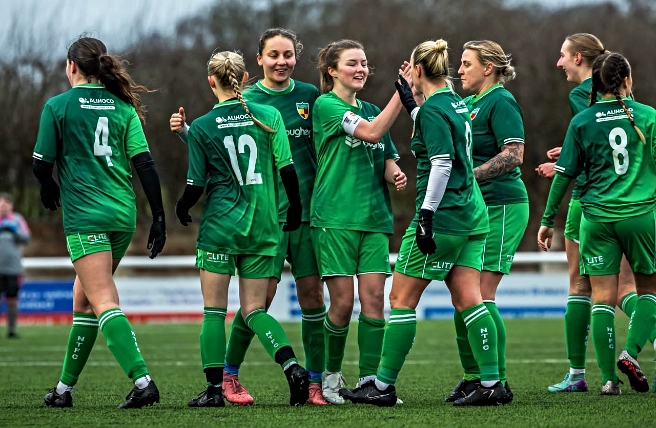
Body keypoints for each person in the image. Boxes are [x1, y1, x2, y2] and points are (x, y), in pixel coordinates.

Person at [340, 39, 505, 407]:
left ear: (417, 71)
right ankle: (492, 381)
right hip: (472, 216)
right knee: (469, 299)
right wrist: (413, 105)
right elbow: (437, 128)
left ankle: (381, 386)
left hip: (443, 216)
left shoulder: (433, 110)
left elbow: (442, 163)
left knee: (401, 298)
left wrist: (427, 216)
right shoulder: (455, 103)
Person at [170, 28, 327, 405]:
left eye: (288, 54)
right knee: (257, 308)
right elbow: (287, 170)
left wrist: (179, 208)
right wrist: (295, 207)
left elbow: (197, 179)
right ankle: (293, 368)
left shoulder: (207, 123)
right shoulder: (266, 112)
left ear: (211, 81)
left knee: (214, 311)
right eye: (274, 54)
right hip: (267, 221)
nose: (282, 61)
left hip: (224, 225)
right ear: (247, 73)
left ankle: (214, 389)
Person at [34, 36, 166, 409]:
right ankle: (62, 391)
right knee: (85, 300)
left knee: (103, 299)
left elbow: (41, 165)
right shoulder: (124, 108)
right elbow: (146, 166)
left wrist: (47, 186)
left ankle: (142, 381)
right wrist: (158, 217)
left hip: (86, 217)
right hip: (122, 216)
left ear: (71, 66)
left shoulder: (58, 106)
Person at [536, 34, 656, 393]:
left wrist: (547, 219)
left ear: (590, 71)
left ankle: (599, 378)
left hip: (592, 209)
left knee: (591, 290)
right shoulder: (646, 114)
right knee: (644, 290)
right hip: (639, 213)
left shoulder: (582, 110)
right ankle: (642, 347)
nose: (559, 62)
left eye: (563, 55)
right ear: (626, 78)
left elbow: (571, 168)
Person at [310, 39, 407, 404]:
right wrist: (404, 93)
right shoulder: (326, 105)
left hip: (375, 218)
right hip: (335, 218)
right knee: (342, 304)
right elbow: (370, 132)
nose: (361, 69)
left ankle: (370, 382)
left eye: (364, 62)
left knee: (374, 303)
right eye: (352, 63)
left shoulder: (369, 107)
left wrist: (394, 174)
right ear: (333, 70)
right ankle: (330, 378)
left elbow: (385, 155)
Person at [441, 40, 525, 405]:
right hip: (475, 210)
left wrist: (467, 175)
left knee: (480, 296)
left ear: (488, 67)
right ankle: (474, 377)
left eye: (466, 63)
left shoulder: (500, 100)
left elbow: (514, 155)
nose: (459, 70)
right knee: (463, 296)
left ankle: (497, 382)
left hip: (502, 205)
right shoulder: (470, 104)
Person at [0, 192, 31, 338]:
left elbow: (27, 238)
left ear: (11, 206)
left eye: (6, 204)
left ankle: (11, 330)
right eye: (1, 204)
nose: (3, 206)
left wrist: (14, 230)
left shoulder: (17, 220)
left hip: (13, 268)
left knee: (12, 299)